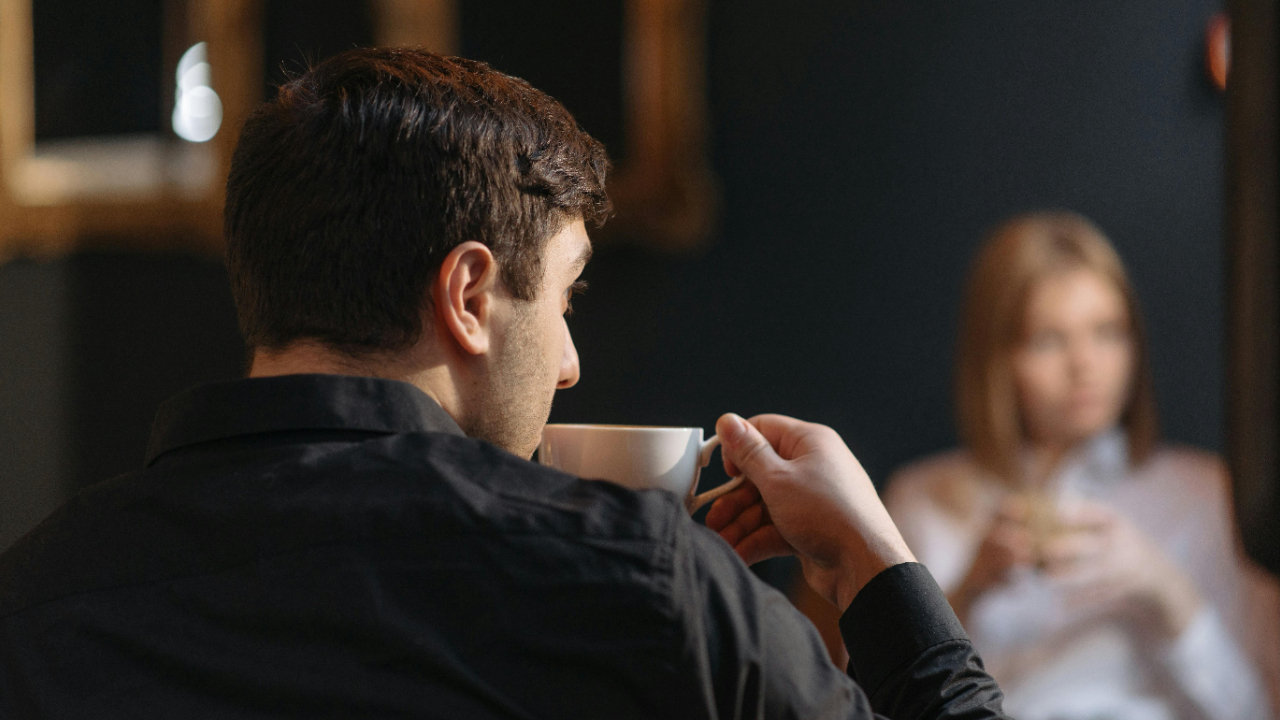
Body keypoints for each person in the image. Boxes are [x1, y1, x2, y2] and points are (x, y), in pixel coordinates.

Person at [0, 48, 1006, 719]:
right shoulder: (638, 582)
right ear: (470, 293)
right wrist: (867, 560)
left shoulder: (37, 594)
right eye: (564, 298)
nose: (569, 363)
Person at [884, 212, 1278, 720]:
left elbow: (1258, 708)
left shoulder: (1207, 493)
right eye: (1048, 340)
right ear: (996, 359)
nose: (1085, 365)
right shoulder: (923, 498)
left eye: (1108, 332)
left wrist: (1167, 591)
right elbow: (871, 704)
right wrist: (965, 592)